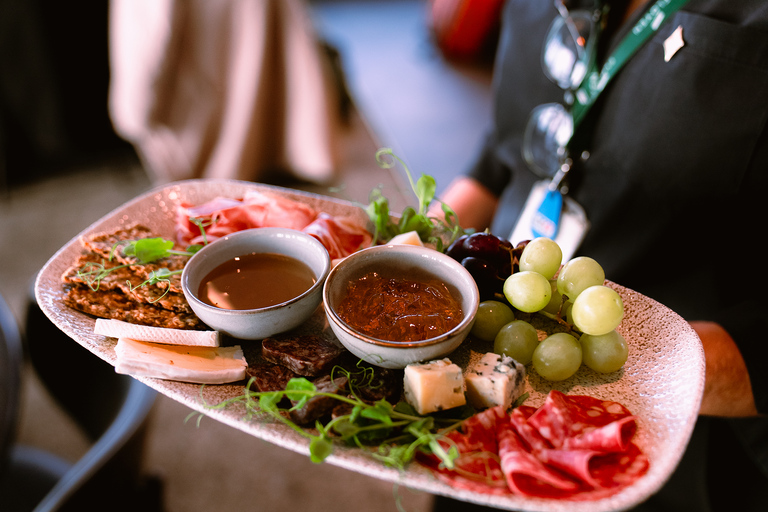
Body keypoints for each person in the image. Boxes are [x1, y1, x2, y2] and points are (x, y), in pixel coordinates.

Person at [431, 0, 767, 510]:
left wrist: (624, 374)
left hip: (669, 425)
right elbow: (505, 158)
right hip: (491, 360)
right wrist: (410, 250)